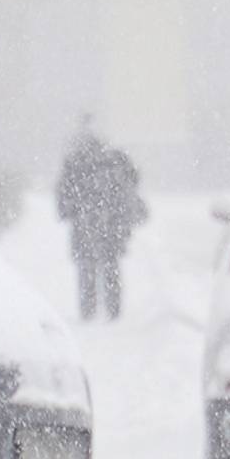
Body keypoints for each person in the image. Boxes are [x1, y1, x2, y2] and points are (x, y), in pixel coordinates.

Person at [55, 118, 147, 320]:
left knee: (87, 267)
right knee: (110, 265)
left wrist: (68, 210)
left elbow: (63, 194)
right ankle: (113, 309)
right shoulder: (115, 159)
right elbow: (133, 179)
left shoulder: (75, 162)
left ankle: (88, 310)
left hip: (84, 222)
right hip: (111, 222)